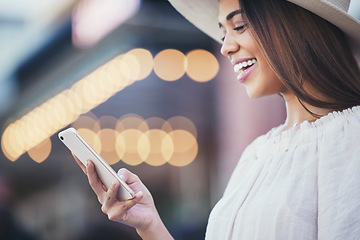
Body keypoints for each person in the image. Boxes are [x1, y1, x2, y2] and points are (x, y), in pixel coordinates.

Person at [73, 0, 360, 239]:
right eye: (224, 34)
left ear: (295, 24)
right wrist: (149, 224)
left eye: (239, 26)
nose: (225, 47)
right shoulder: (256, 155)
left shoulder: (351, 142)